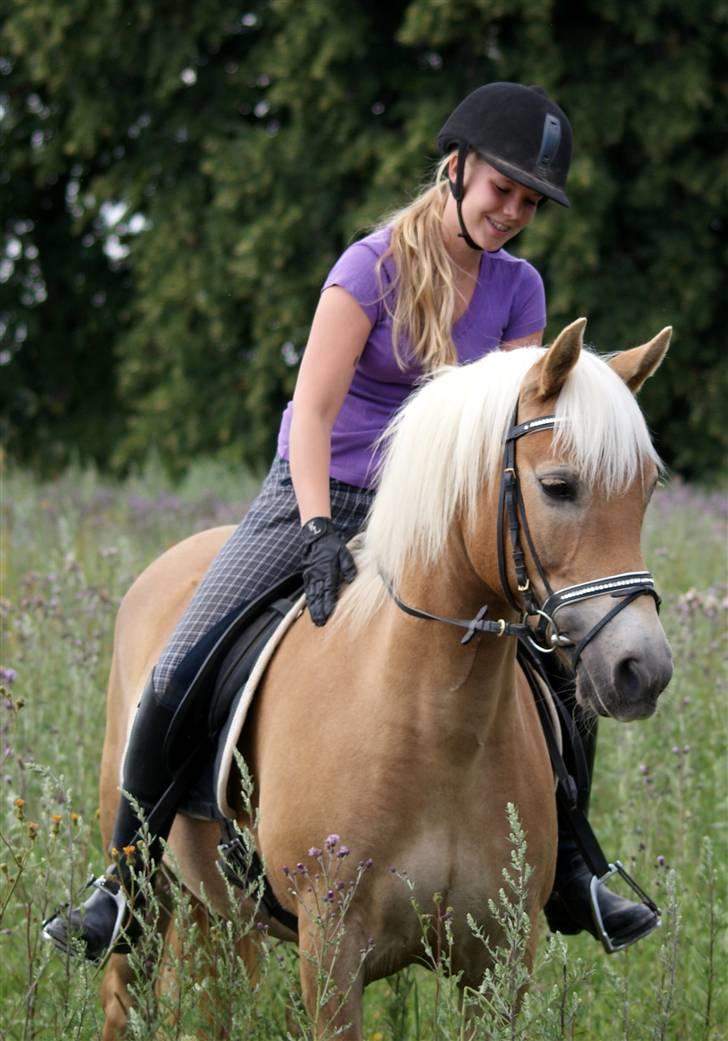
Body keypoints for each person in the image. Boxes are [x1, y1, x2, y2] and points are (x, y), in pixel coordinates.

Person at [43, 81, 658, 963]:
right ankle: (126, 885)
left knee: (560, 670)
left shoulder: (521, 289)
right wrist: (324, 527)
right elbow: (316, 412)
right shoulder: (368, 268)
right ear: (455, 170)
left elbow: (514, 423)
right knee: (178, 667)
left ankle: (572, 873)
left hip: (439, 518)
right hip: (321, 492)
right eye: (502, 189)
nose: (514, 211)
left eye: (530, 200)